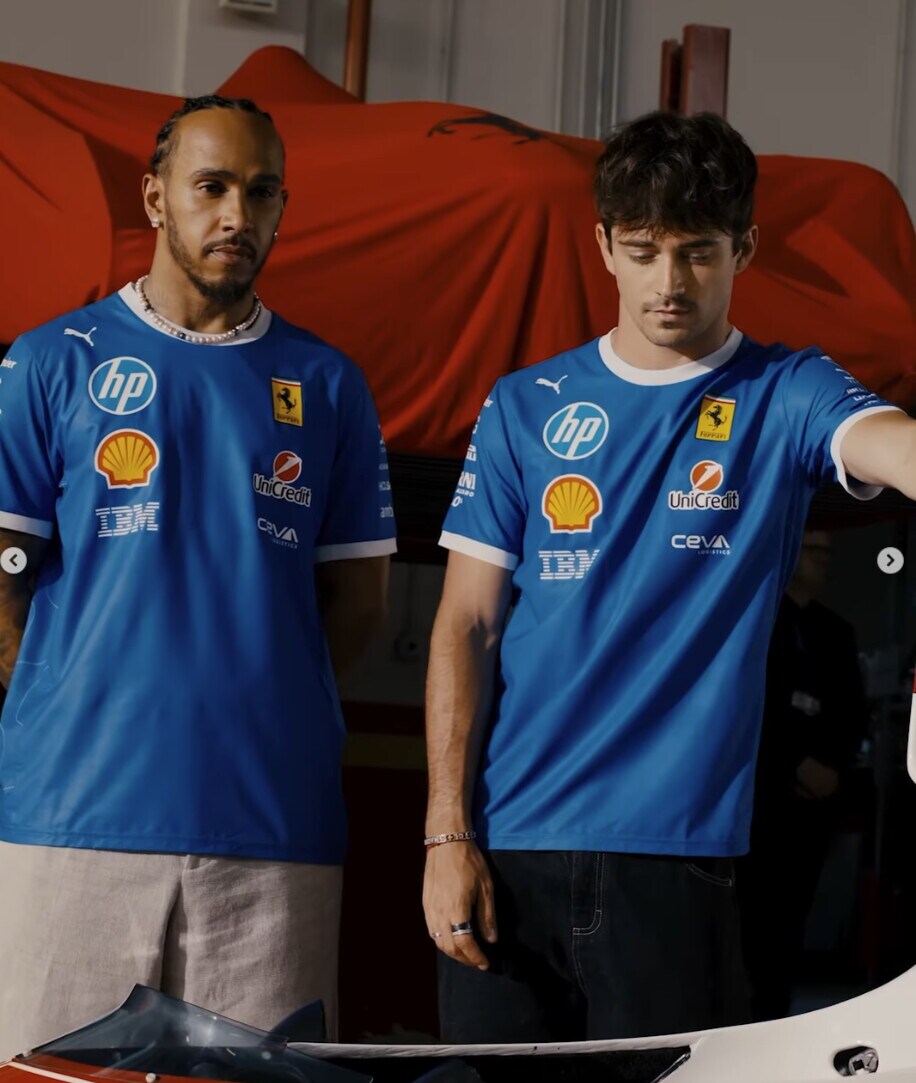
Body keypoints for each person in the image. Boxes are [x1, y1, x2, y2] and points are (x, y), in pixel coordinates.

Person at [422, 110, 916, 1042]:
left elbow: (894, 446)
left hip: (677, 860)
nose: (670, 282)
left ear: (744, 249)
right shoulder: (524, 405)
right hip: (504, 847)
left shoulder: (788, 391)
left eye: (698, 252)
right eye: (645, 251)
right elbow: (466, 625)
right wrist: (445, 833)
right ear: (605, 245)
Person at [0, 96, 395, 1057]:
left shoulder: (329, 385)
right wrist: (71, 703)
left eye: (261, 193)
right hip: (72, 823)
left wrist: (258, 700)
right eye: (211, 187)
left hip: (273, 835)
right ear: (155, 197)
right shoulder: (49, 363)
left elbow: (355, 608)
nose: (236, 215)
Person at [738, 529, 869, 1020]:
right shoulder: (760, 620)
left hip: (815, 802)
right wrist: (791, 762)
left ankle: (776, 1009)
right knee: (754, 915)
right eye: (816, 552)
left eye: (829, 553)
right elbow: (753, 705)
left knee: (792, 915)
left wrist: (832, 766)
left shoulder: (835, 632)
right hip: (764, 793)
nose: (824, 563)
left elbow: (852, 711)